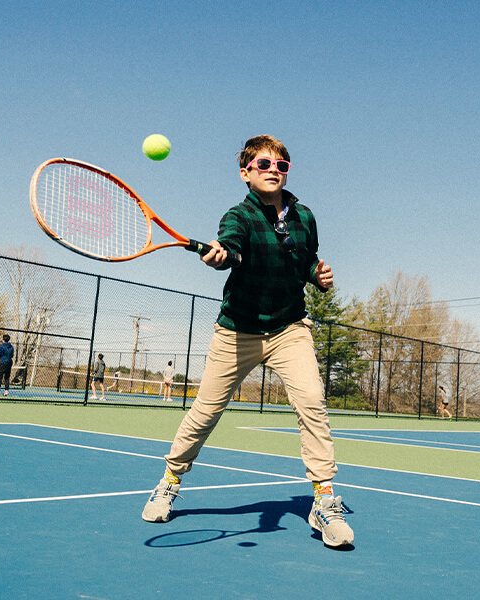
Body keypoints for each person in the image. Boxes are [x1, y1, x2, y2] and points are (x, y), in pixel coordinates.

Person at [141, 135, 353, 548]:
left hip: (290, 328)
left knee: (312, 401)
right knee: (205, 411)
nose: (273, 169)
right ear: (246, 173)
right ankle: (169, 480)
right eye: (263, 163)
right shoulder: (237, 216)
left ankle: (324, 500)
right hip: (238, 330)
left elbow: (304, 259)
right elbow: (233, 247)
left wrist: (318, 276)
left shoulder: (305, 217)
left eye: (281, 164)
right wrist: (222, 254)